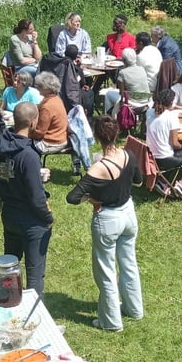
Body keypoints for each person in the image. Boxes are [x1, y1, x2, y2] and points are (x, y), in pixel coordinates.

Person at [66, 115, 144, 332]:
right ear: (117, 133)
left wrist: (93, 199)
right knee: (129, 263)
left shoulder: (96, 169)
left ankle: (111, 322)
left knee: (106, 271)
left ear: (97, 137)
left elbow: (72, 197)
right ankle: (134, 309)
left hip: (108, 219)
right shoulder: (128, 154)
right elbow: (138, 181)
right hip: (128, 215)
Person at [0, 102, 54, 296]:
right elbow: (36, 198)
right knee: (34, 274)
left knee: (10, 268)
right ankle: (34, 321)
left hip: (9, 213)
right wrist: (48, 218)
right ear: (33, 121)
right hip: (32, 220)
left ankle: (7, 304)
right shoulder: (29, 155)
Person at [146, 89, 182, 199]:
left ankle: (162, 181)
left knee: (173, 150)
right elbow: (174, 143)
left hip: (150, 157)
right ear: (170, 103)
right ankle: (181, 183)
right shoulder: (171, 117)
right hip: (165, 160)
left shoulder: (149, 112)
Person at [30, 72, 71, 155]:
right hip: (61, 137)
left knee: (22, 143)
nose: (37, 88)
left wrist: (27, 133)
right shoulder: (56, 98)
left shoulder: (47, 107)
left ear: (48, 89)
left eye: (40, 86)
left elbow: (39, 133)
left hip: (51, 142)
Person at [103, 47, 150, 114]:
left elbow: (121, 93)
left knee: (108, 94)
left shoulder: (122, 73)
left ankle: (109, 118)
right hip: (146, 100)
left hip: (133, 102)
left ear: (123, 60)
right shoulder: (142, 69)